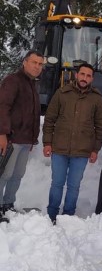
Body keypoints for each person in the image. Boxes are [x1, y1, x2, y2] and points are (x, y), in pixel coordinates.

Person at [43, 63, 102, 224]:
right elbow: (50, 119)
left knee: (74, 186)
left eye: (88, 75)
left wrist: (95, 149)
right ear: (76, 75)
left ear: (92, 78)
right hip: (59, 148)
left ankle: (67, 216)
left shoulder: (97, 98)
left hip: (82, 151)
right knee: (57, 183)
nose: (85, 78)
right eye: (82, 74)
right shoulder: (62, 93)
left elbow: (100, 126)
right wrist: (47, 142)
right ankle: (51, 215)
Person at [0, 50, 44, 221]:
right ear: (25, 62)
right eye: (34, 62)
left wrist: (33, 137)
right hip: (12, 139)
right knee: (5, 174)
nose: (37, 67)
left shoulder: (32, 84)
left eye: (40, 64)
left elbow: (31, 113)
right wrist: (2, 133)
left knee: (18, 174)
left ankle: (8, 204)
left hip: (25, 140)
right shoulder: (13, 80)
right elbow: (3, 107)